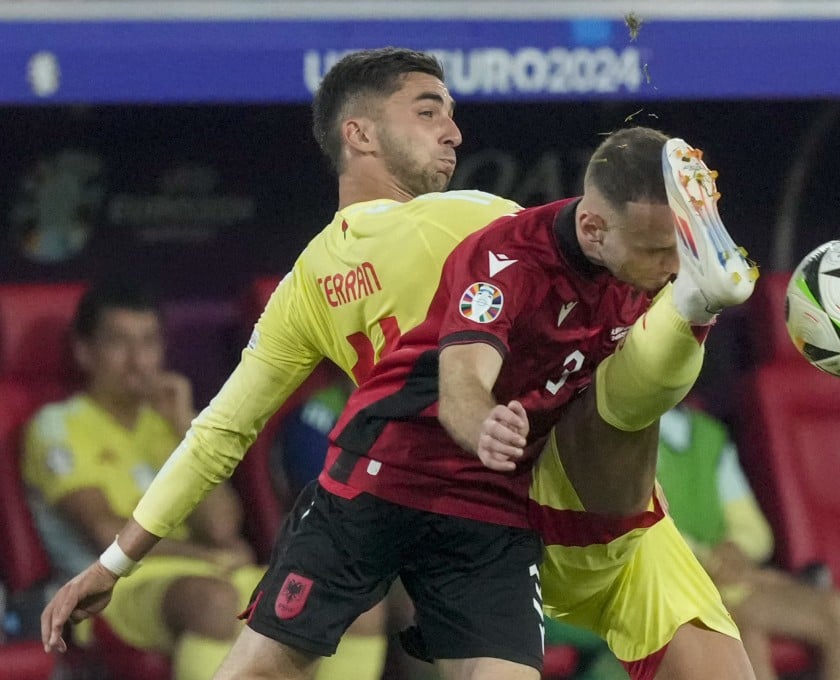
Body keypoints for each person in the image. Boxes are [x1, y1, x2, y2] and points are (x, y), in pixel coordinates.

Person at [41, 48, 756, 680]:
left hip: (561, 506)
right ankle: (693, 305)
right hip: (514, 486)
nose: (454, 129)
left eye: (451, 112)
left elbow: (216, 435)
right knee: (620, 391)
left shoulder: (309, 280)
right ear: (359, 133)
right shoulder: (470, 220)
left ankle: (693, 302)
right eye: (427, 110)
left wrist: (114, 561)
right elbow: (584, 240)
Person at [21, 282, 265, 680]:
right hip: (106, 589)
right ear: (85, 352)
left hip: (202, 574)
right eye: (120, 344)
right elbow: (105, 533)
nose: (138, 362)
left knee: (322, 599)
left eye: (149, 343)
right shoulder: (57, 426)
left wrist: (187, 427)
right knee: (216, 602)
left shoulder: (165, 422)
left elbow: (222, 527)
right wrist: (206, 558)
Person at [656, 405, 840, 680]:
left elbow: (755, 532)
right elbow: (638, 527)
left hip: (730, 582)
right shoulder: (615, 431)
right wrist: (709, 559)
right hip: (665, 590)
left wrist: (735, 549)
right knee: (739, 635)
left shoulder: (709, 435)